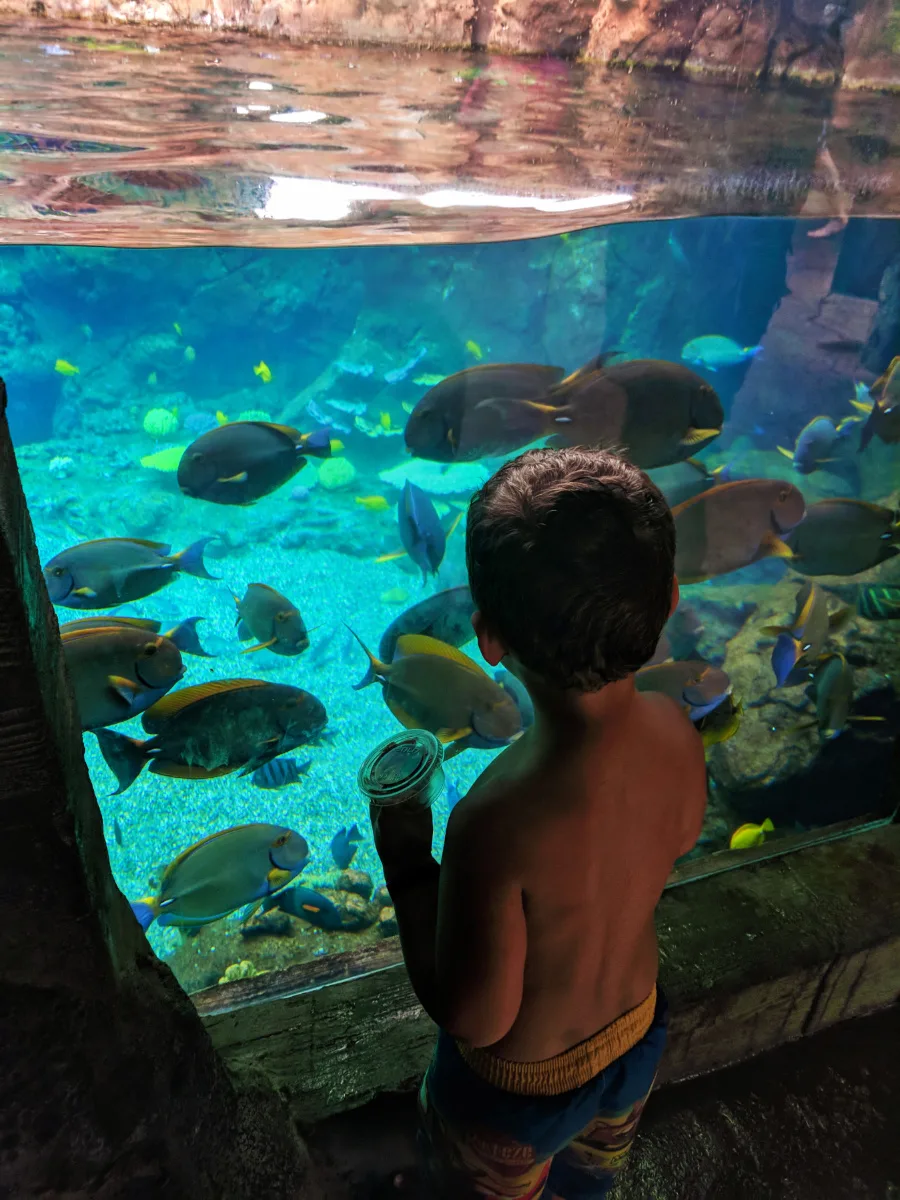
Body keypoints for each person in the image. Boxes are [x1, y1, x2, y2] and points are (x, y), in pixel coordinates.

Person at [370, 447, 708, 1199]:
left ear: (489, 641)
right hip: (637, 1039)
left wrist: (407, 869)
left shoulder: (495, 819)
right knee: (591, 1182)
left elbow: (476, 1016)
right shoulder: (676, 733)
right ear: (672, 599)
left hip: (513, 1101)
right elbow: (678, 839)